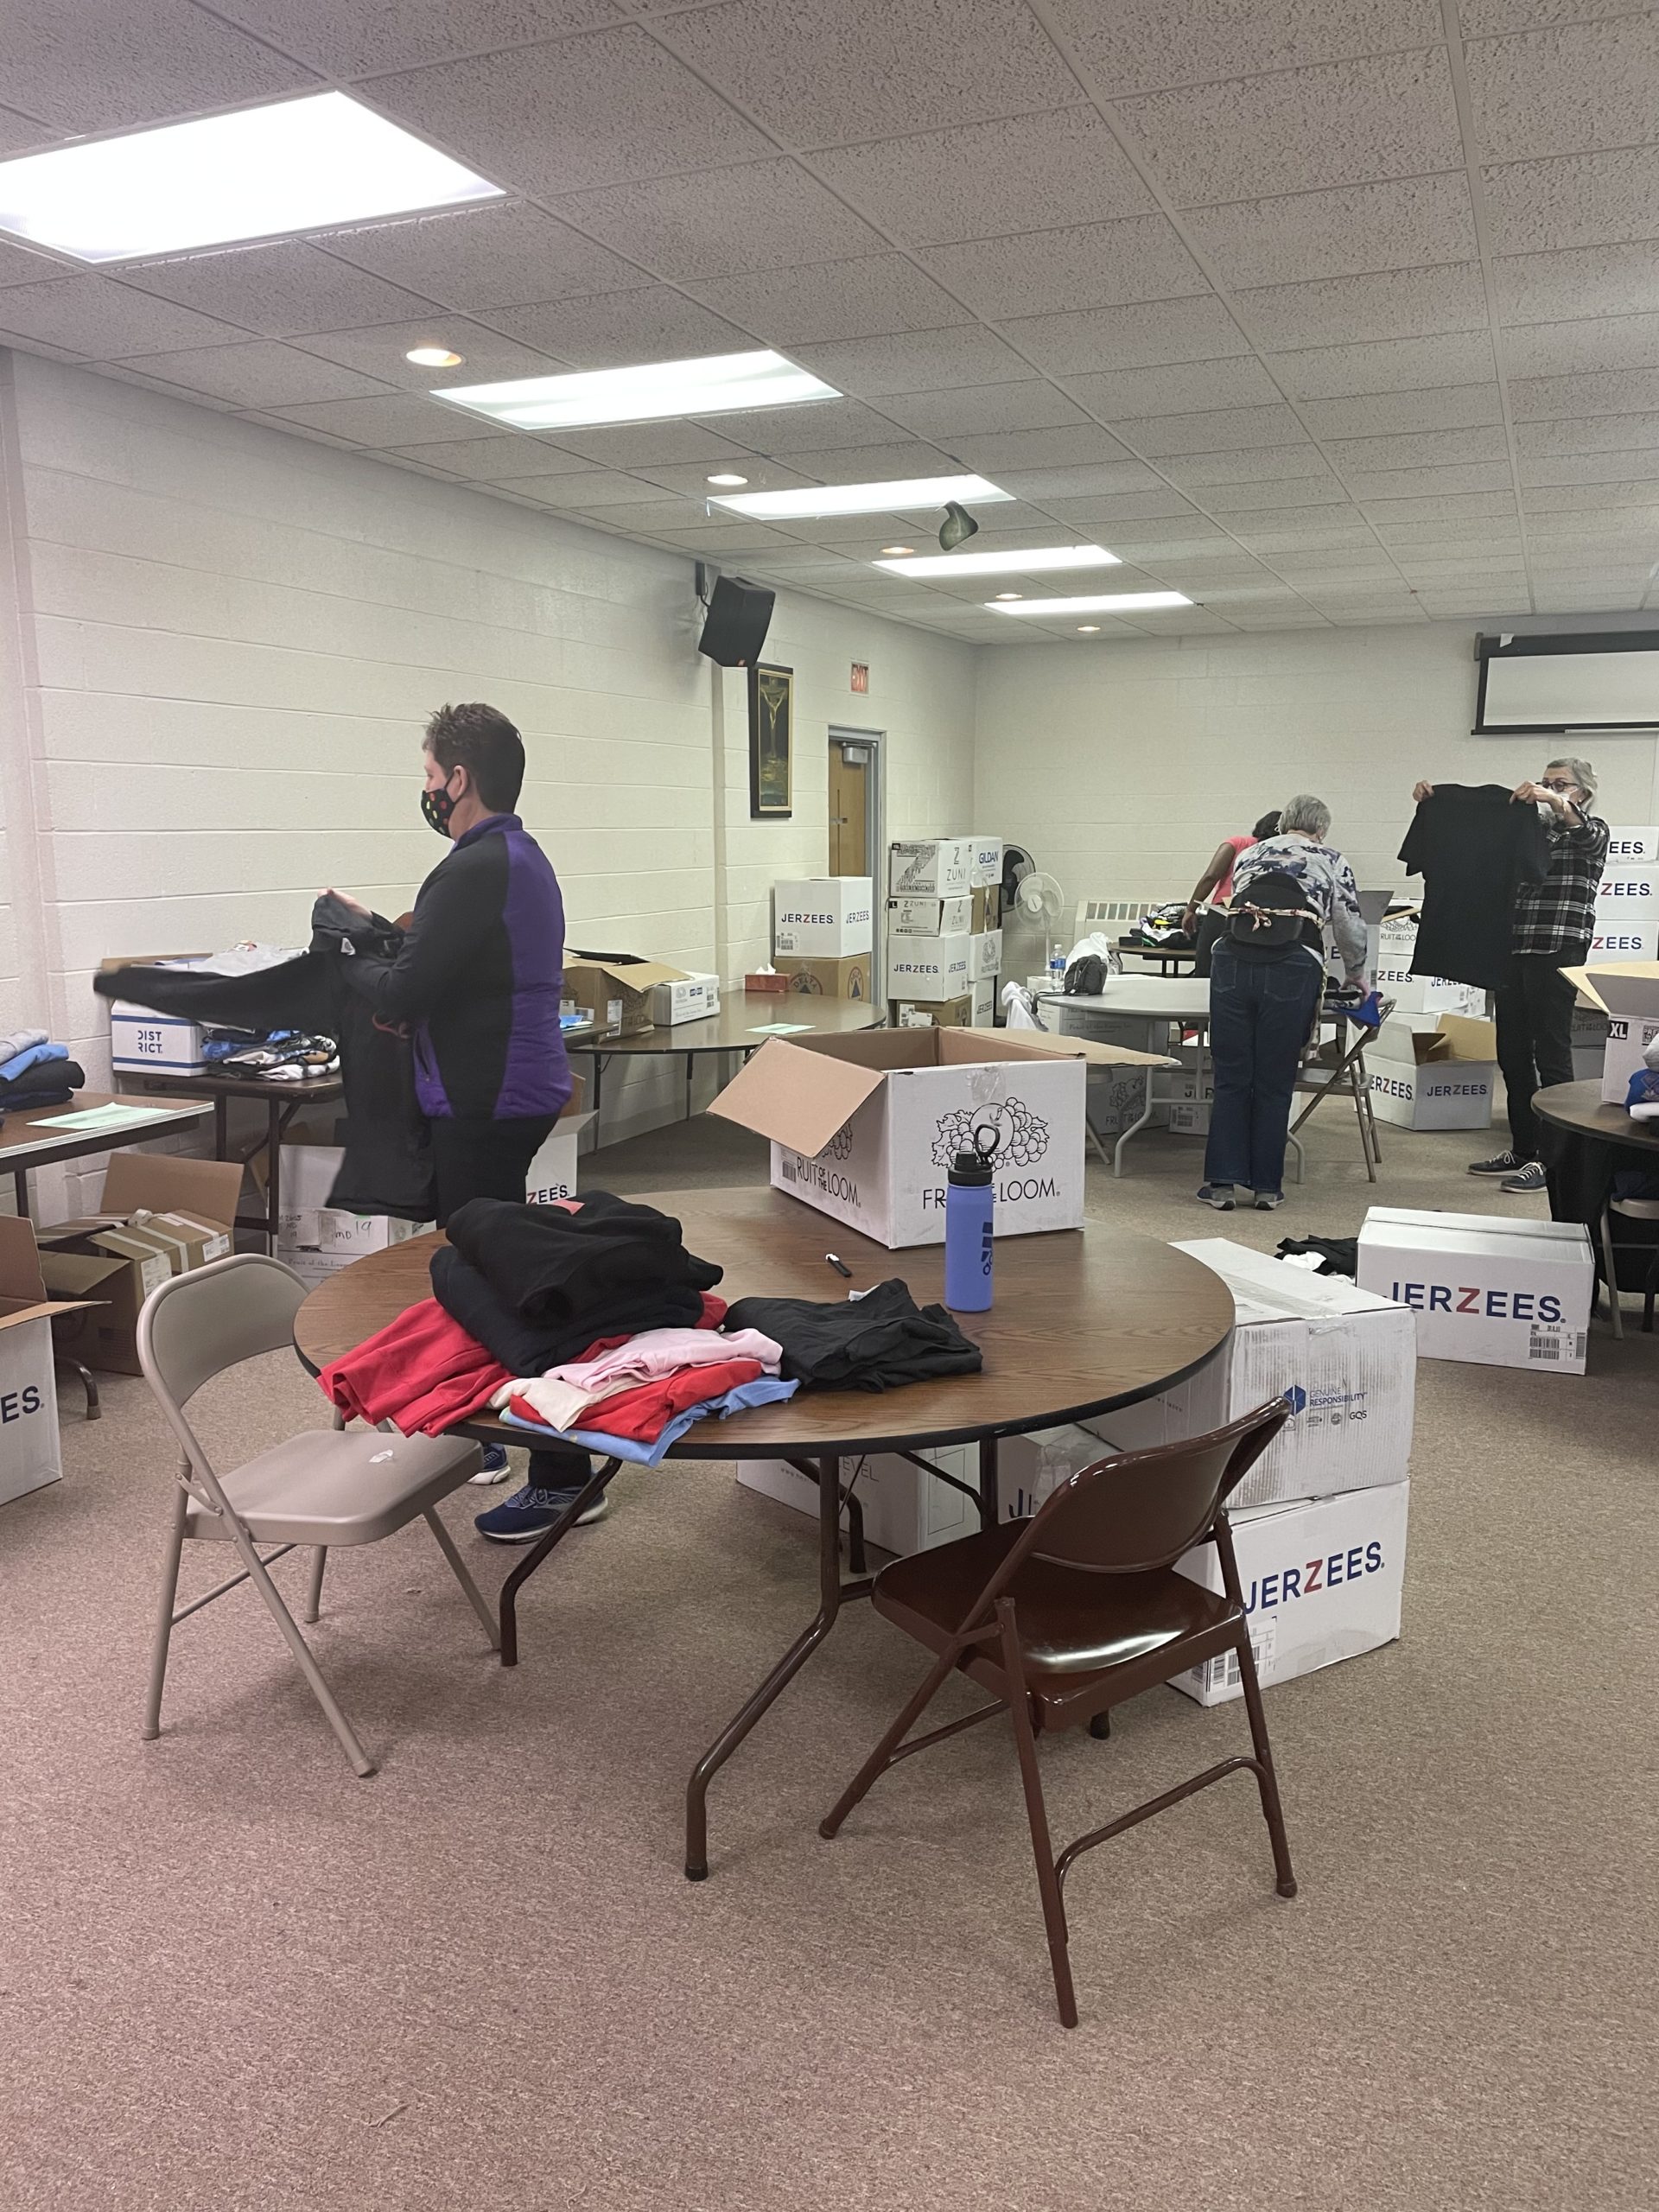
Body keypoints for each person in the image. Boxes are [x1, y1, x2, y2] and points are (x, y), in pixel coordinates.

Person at [327, 702, 603, 1544]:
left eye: (429, 776)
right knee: (481, 1268)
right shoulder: (515, 855)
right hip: (503, 1090)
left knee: (497, 1281)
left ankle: (564, 1475)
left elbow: (407, 988)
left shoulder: (475, 866)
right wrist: (377, 938)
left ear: (459, 777)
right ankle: (488, 1424)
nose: (427, 791)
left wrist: (346, 949)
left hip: (488, 1100)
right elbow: (447, 966)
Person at [1411, 759, 1609, 1195]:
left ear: (1583, 793)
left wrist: (1555, 801)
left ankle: (1554, 1162)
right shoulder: (1525, 829)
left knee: (1552, 1054)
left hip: (1557, 949)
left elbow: (1589, 838)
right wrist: (1435, 802)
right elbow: (1473, 841)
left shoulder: (1592, 830)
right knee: (1513, 1054)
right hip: (1512, 948)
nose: (1549, 788)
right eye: (1545, 782)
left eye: (1561, 784)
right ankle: (1523, 1148)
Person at [1199, 794, 1367, 1212]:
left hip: (1232, 960)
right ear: (1321, 829)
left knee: (1231, 1074)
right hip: (1292, 965)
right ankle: (1266, 1188)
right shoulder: (1331, 859)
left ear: (1282, 824)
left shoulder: (1250, 854)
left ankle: (1221, 1184)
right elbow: (1348, 924)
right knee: (1275, 1078)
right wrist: (1356, 974)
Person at [1181, 810, 1284, 939]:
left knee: (1209, 951)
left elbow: (1211, 876)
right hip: (1261, 915)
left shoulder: (1238, 843)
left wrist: (1191, 909)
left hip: (1225, 908)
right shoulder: (1281, 854)